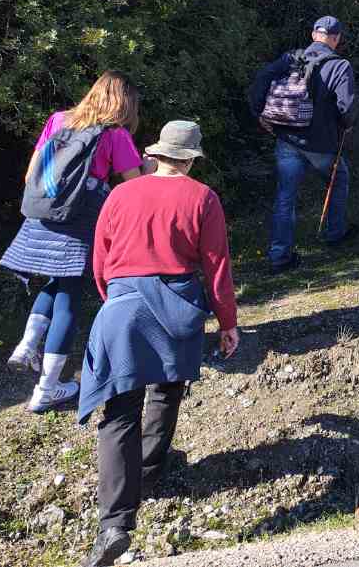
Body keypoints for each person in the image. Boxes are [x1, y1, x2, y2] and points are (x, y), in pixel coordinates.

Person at [77, 120, 238, 567]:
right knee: (166, 391)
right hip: (177, 308)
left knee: (118, 414)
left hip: (123, 307)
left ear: (156, 155)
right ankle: (148, 474)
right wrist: (227, 322)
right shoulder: (203, 198)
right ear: (191, 160)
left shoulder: (120, 194)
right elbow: (217, 265)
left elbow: (100, 261)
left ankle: (114, 524)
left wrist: (116, 301)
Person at [0, 72, 145, 414]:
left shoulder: (59, 120)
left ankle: (27, 344)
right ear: (126, 102)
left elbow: (31, 173)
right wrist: (148, 167)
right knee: (69, 298)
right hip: (80, 220)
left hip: (42, 214)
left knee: (54, 281)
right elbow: (134, 186)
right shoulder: (116, 134)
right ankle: (47, 389)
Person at [249, 15, 359, 276]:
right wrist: (346, 125)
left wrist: (259, 113)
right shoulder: (340, 66)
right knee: (339, 179)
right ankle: (335, 234)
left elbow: (262, 78)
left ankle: (279, 256)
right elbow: (347, 107)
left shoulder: (290, 58)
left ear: (313, 35)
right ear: (336, 39)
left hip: (287, 139)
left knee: (285, 196)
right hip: (321, 143)